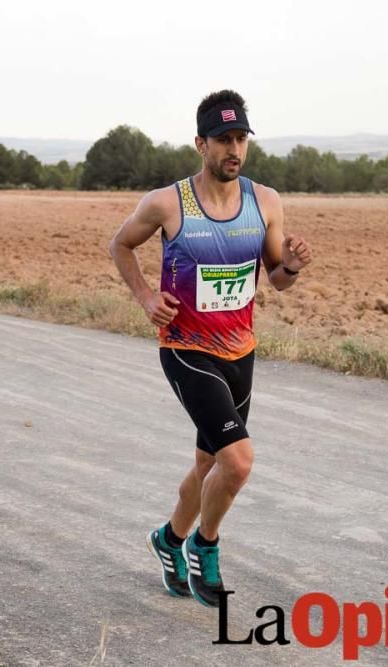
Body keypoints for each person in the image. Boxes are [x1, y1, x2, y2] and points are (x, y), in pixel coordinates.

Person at [109, 90, 313, 607]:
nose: (234, 148)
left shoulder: (265, 201)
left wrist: (290, 265)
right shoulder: (166, 203)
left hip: (240, 352)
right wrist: (145, 296)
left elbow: (276, 279)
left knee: (208, 467)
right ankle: (206, 544)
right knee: (238, 462)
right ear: (200, 144)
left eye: (241, 138)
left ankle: (169, 539)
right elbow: (121, 243)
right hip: (185, 348)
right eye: (223, 139)